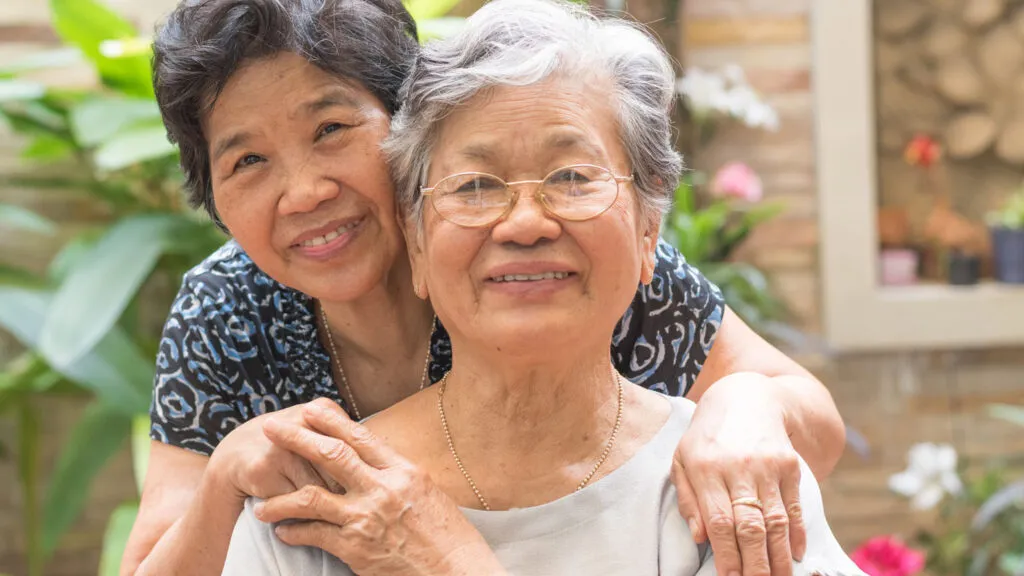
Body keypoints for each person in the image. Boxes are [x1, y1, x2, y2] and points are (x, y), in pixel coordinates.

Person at [123, 0, 847, 574]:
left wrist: (743, 402)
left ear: (406, 128)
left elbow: (809, 422)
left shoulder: (576, 263)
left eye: (332, 128)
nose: (305, 191)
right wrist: (225, 481)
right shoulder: (226, 309)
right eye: (247, 160)